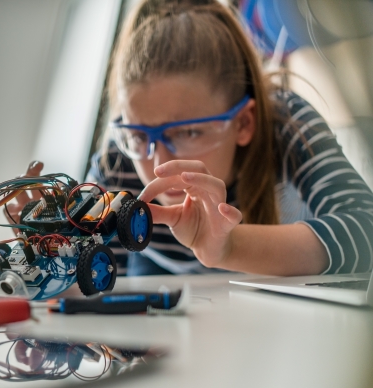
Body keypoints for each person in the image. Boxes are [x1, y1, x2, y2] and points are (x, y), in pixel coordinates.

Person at [20, 0, 373, 277]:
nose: (158, 165)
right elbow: (95, 272)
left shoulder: (285, 123)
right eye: (140, 135)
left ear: (245, 123)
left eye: (188, 132)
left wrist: (230, 247)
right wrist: (46, 245)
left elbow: (365, 228)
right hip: (167, 282)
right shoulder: (122, 155)